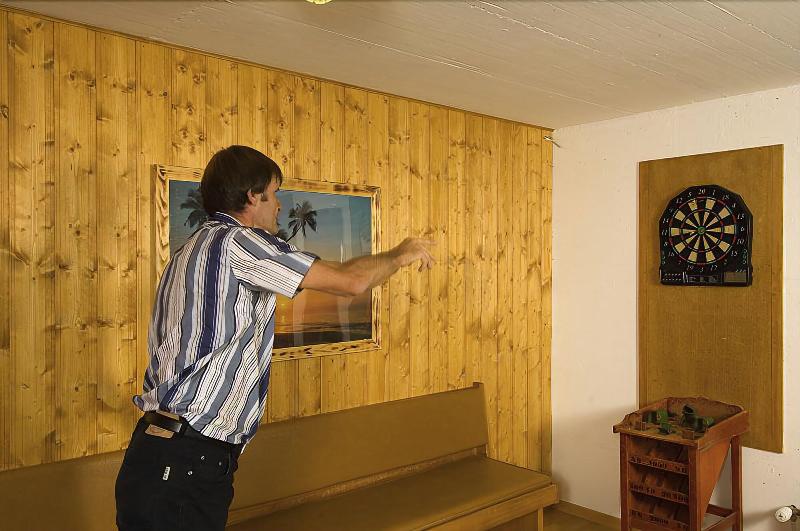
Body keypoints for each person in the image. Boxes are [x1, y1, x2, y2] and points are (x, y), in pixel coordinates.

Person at [115, 145, 434, 530]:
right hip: (186, 462)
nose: (280, 205)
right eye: (274, 193)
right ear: (253, 196)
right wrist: (400, 255)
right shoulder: (240, 243)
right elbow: (352, 282)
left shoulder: (190, 250)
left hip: (156, 454)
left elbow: (341, 269)